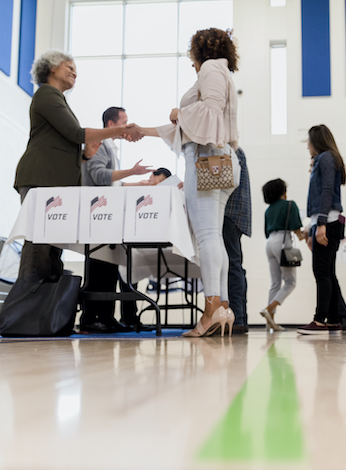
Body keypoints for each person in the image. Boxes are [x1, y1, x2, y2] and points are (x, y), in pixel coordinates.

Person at [137, 28, 239, 337]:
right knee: (214, 236)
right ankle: (221, 306)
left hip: (206, 157)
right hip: (222, 158)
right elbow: (195, 123)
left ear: (199, 50)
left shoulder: (210, 68)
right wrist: (145, 130)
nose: (190, 61)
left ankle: (211, 310)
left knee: (207, 235)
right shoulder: (221, 71)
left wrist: (178, 111)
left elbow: (206, 111)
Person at [12, 50, 142, 285]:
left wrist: (84, 156)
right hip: (41, 180)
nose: (74, 72)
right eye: (68, 67)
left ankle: (47, 312)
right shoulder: (47, 94)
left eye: (76, 70)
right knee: (39, 250)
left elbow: (61, 144)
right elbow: (76, 133)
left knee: (52, 251)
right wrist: (119, 132)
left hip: (53, 183)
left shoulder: (58, 99)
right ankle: (28, 312)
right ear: (52, 68)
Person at [79, 106, 152, 333]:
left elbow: (112, 183)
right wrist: (132, 172)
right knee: (99, 267)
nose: (127, 126)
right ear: (111, 124)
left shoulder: (110, 147)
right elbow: (100, 177)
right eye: (124, 121)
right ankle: (91, 317)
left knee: (109, 267)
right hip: (97, 215)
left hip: (106, 215)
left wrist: (136, 184)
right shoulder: (99, 145)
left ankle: (107, 316)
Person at [297, 125, 346, 335]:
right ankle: (334, 319)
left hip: (329, 221)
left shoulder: (326, 158)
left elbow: (327, 190)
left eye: (309, 141)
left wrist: (322, 223)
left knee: (321, 273)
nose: (307, 146)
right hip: (327, 220)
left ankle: (319, 320)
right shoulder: (325, 159)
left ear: (316, 141)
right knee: (328, 273)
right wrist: (314, 225)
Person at [261, 178, 305, 332]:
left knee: (275, 283)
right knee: (290, 282)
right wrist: (306, 233)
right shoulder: (290, 205)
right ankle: (269, 308)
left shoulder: (268, 210)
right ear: (283, 192)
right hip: (283, 242)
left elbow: (266, 231)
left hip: (270, 243)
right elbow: (298, 233)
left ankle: (270, 322)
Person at [223, 147, 252, 334]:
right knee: (235, 266)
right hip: (235, 214)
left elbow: (224, 181)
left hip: (229, 213)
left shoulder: (231, 150)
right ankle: (239, 318)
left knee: (232, 266)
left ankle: (238, 319)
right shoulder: (236, 150)